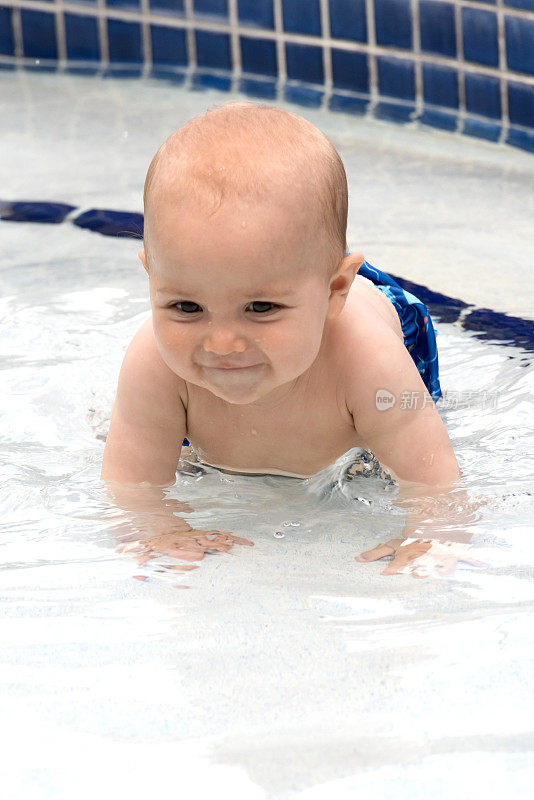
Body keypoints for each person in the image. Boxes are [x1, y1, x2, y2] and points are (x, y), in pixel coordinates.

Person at [102, 102, 480, 578]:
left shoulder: (367, 361)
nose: (222, 343)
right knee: (140, 432)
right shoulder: (152, 361)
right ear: (151, 279)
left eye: (260, 308)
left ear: (334, 291)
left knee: (395, 437)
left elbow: (437, 482)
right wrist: (157, 526)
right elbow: (129, 487)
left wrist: (433, 532)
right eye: (186, 307)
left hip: (391, 331)